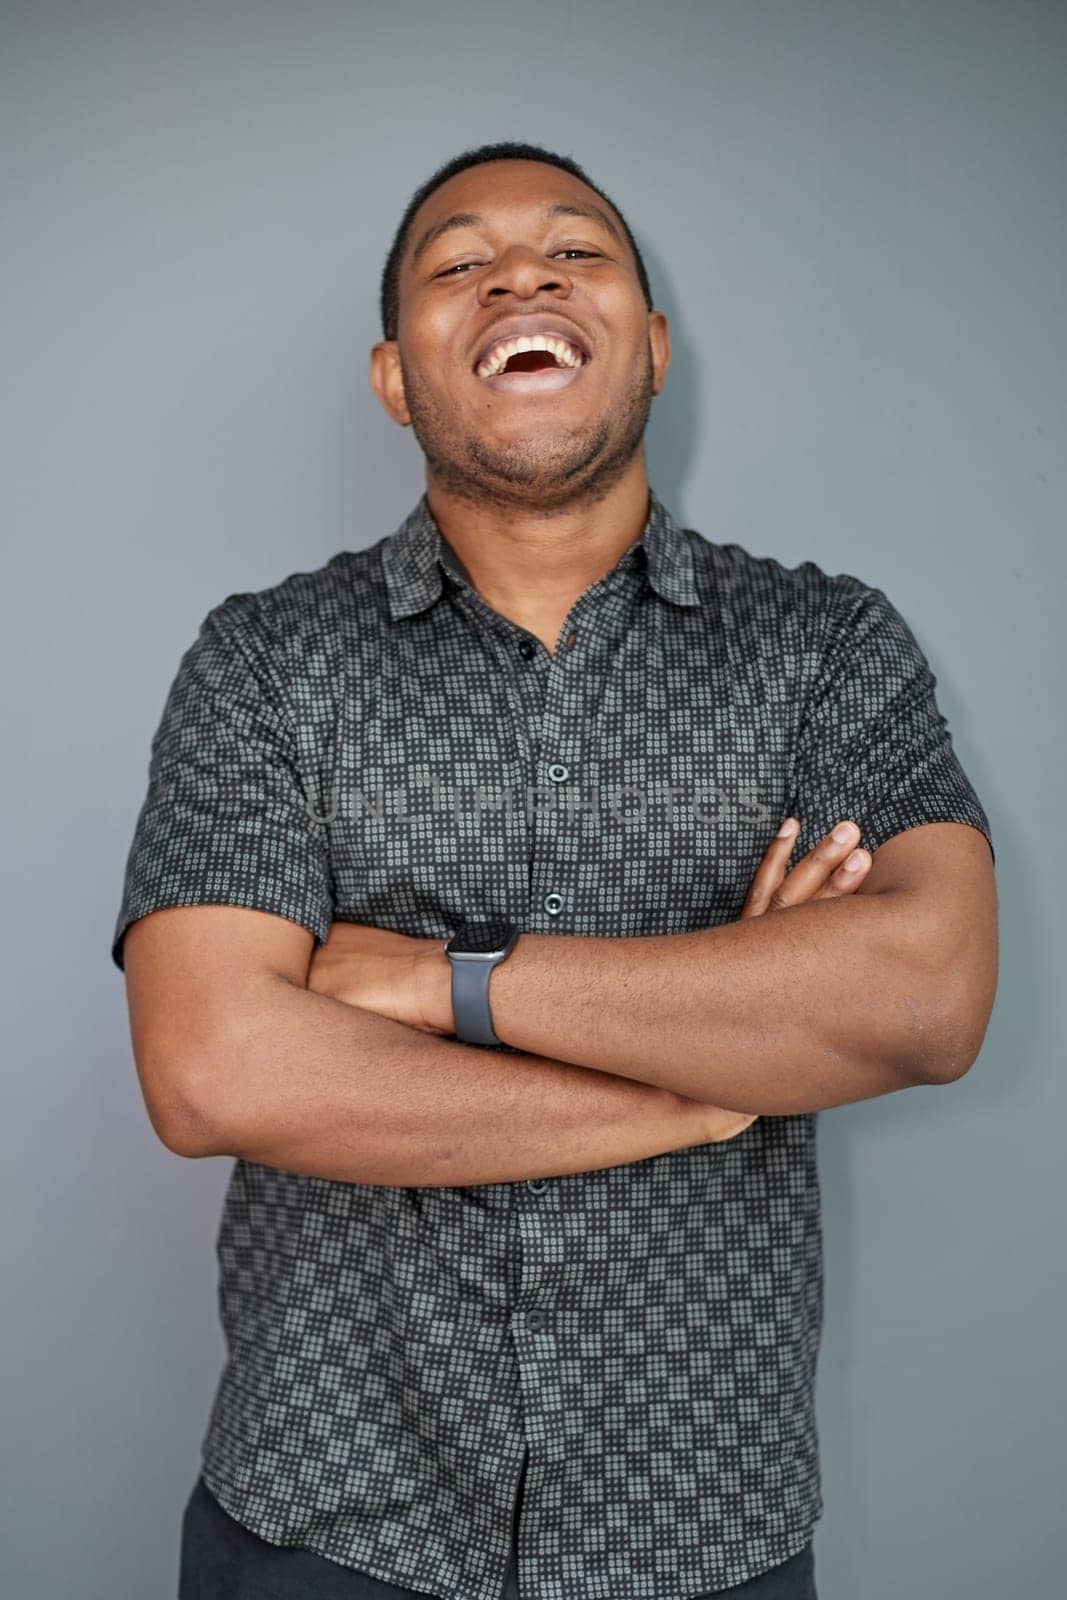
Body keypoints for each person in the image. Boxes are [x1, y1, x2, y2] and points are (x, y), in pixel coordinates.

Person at [112, 141, 998, 1600]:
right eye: (460, 265)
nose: (521, 275)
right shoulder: (265, 663)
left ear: (650, 347)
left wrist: (423, 979)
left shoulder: (827, 648)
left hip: (705, 1528)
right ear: (396, 376)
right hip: (322, 1522)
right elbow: (217, 1070)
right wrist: (712, 1085)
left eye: (576, 253)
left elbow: (928, 997)